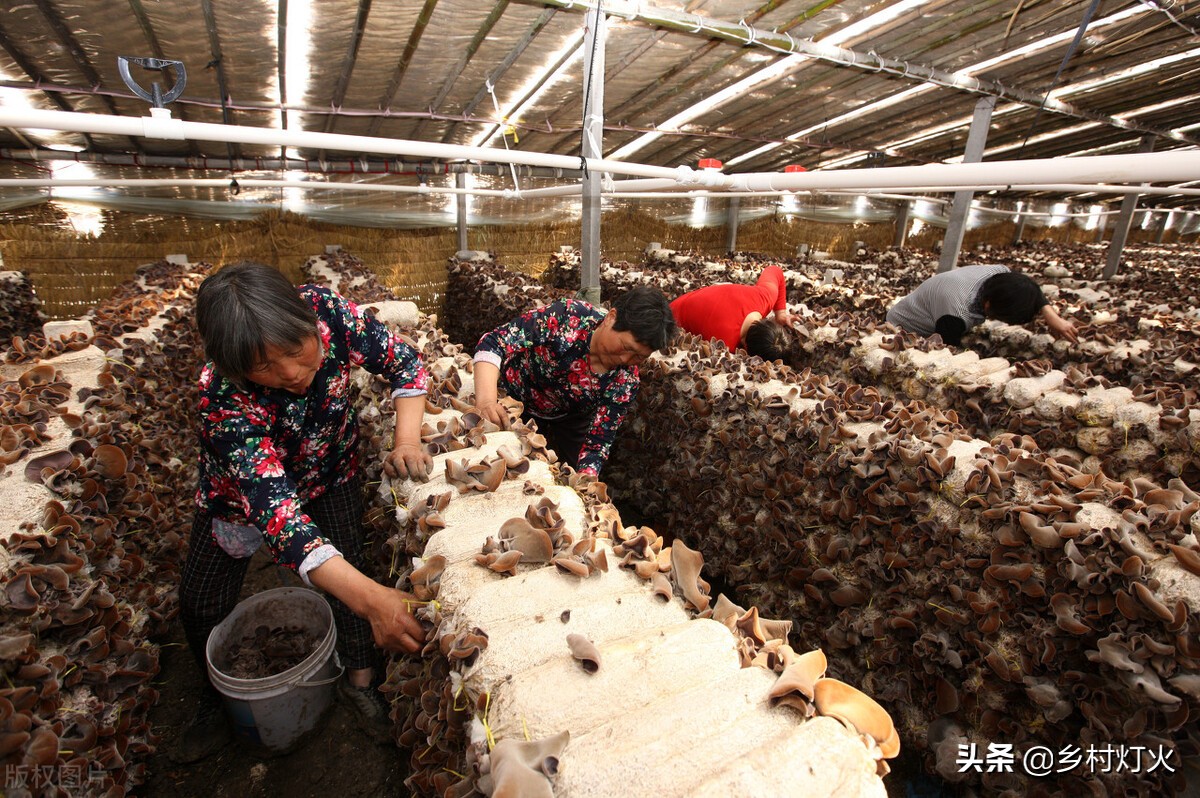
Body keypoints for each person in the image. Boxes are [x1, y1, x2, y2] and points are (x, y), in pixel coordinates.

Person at [174, 262, 432, 763]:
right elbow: (277, 513)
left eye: (296, 351)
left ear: (305, 321)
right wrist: (375, 599)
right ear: (231, 364)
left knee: (349, 569)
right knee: (200, 601)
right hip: (241, 501)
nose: (290, 373)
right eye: (265, 367)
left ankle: (359, 680)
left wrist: (406, 438)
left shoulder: (328, 313)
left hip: (329, 472)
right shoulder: (220, 394)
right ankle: (215, 700)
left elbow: (406, 363)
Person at [472, 286, 675, 477]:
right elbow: (494, 342)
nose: (625, 360)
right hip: (515, 396)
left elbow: (598, 440)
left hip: (569, 416)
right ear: (611, 318)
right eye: (626, 347)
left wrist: (587, 479)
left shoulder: (625, 381)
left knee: (579, 472)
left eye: (638, 357)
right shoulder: (568, 318)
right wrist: (487, 401)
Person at [885, 265, 1078, 347]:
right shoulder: (955, 314)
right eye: (1001, 318)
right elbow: (944, 351)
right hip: (905, 326)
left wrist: (1051, 315)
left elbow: (1028, 287)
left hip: (938, 306)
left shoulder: (1000, 274)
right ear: (988, 306)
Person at [668, 264, 794, 361]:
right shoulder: (725, 344)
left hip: (684, 300)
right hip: (669, 320)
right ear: (745, 348)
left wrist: (780, 314)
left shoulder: (765, 297)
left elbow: (774, 270)